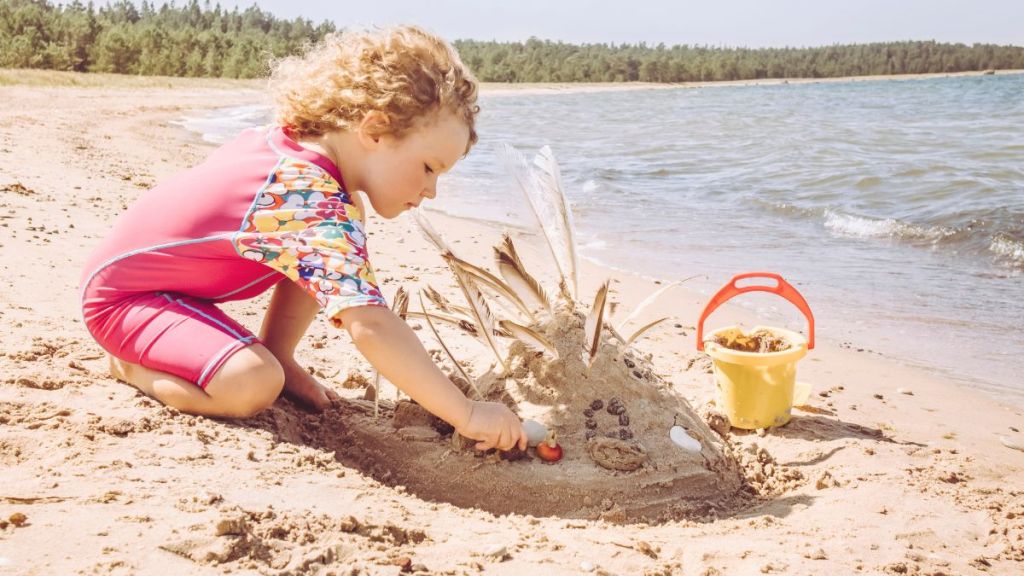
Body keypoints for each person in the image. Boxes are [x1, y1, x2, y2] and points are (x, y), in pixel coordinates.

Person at [79, 26, 526, 452]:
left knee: (339, 231)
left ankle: (280, 354)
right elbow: (370, 325)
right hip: (126, 300)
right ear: (373, 130)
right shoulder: (305, 195)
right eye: (429, 168)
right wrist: (466, 413)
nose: (431, 191)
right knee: (252, 383)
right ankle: (131, 367)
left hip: (167, 290)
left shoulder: (300, 156)